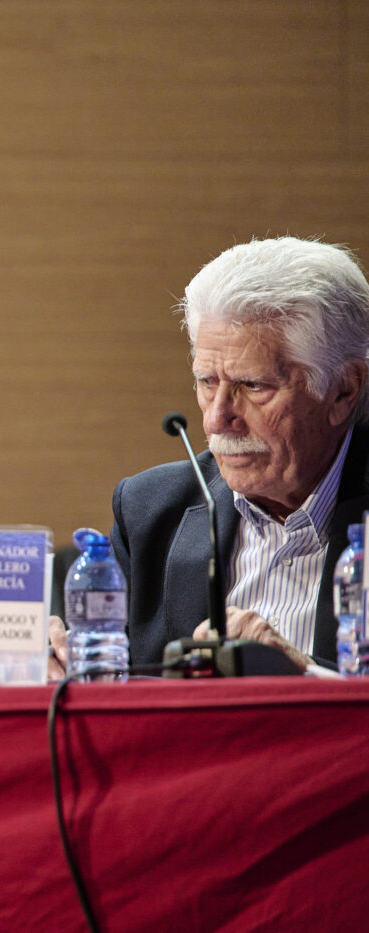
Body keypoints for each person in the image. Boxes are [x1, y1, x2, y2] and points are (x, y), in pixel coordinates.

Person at [51, 237, 369, 676]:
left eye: (254, 386)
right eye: (206, 381)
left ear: (344, 390)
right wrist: (66, 666)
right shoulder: (149, 512)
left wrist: (306, 681)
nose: (218, 419)